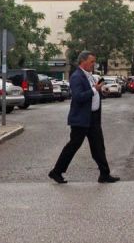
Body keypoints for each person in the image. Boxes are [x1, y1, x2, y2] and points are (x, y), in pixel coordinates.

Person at [49, 51, 119, 184]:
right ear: (83, 61)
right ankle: (56, 172)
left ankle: (104, 174)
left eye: (94, 62)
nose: (94, 64)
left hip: (93, 118)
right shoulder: (76, 76)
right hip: (81, 119)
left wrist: (101, 92)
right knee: (73, 146)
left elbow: (94, 92)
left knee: (98, 146)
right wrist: (94, 90)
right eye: (92, 61)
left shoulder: (90, 76)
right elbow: (78, 97)